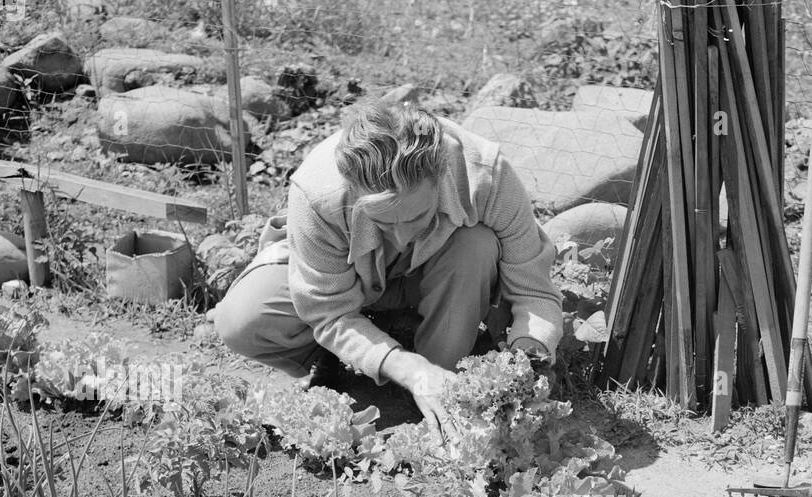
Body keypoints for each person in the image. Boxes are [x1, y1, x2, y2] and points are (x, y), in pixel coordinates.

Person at [213, 97, 564, 445]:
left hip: (433, 272)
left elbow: (533, 290)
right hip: (346, 280)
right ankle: (350, 359)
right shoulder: (317, 191)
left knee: (478, 244)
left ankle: (442, 380)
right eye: (383, 222)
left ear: (440, 176)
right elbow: (328, 311)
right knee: (242, 320)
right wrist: (412, 371)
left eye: (415, 217)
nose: (402, 235)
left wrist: (527, 355)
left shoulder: (487, 174)